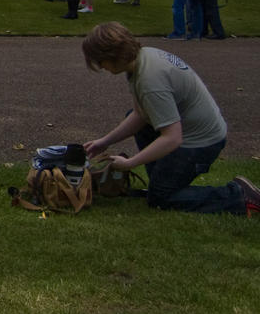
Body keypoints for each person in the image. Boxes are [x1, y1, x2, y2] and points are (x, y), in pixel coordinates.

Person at [82, 22, 259, 217]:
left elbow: (172, 138)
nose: (101, 67)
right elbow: (141, 114)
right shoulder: (142, 59)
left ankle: (239, 196)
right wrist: (105, 141)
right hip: (194, 131)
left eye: (100, 61)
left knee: (160, 199)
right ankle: (164, 181)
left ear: (113, 55)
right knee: (135, 123)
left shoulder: (150, 81)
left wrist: (130, 163)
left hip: (202, 144)